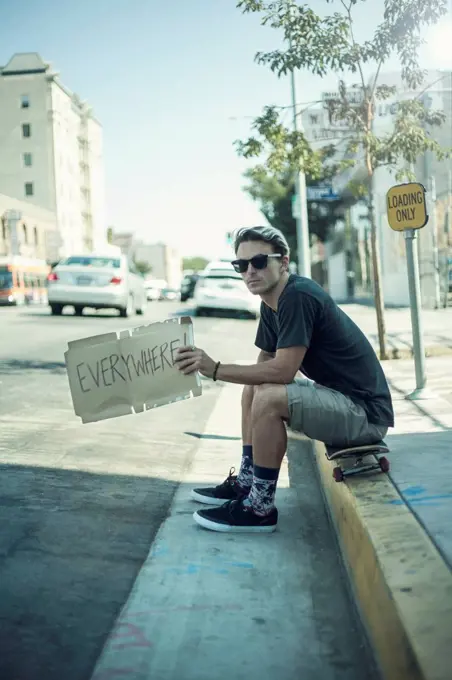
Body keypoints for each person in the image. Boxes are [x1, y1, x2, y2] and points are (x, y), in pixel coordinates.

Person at [174, 226, 394, 534]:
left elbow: (282, 372)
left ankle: (260, 508)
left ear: (284, 262)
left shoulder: (297, 296)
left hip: (365, 415)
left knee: (269, 397)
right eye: (242, 265)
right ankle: (249, 482)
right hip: (339, 401)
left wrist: (215, 368)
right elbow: (265, 364)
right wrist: (230, 375)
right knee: (255, 388)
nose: (250, 271)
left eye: (260, 261)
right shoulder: (270, 301)